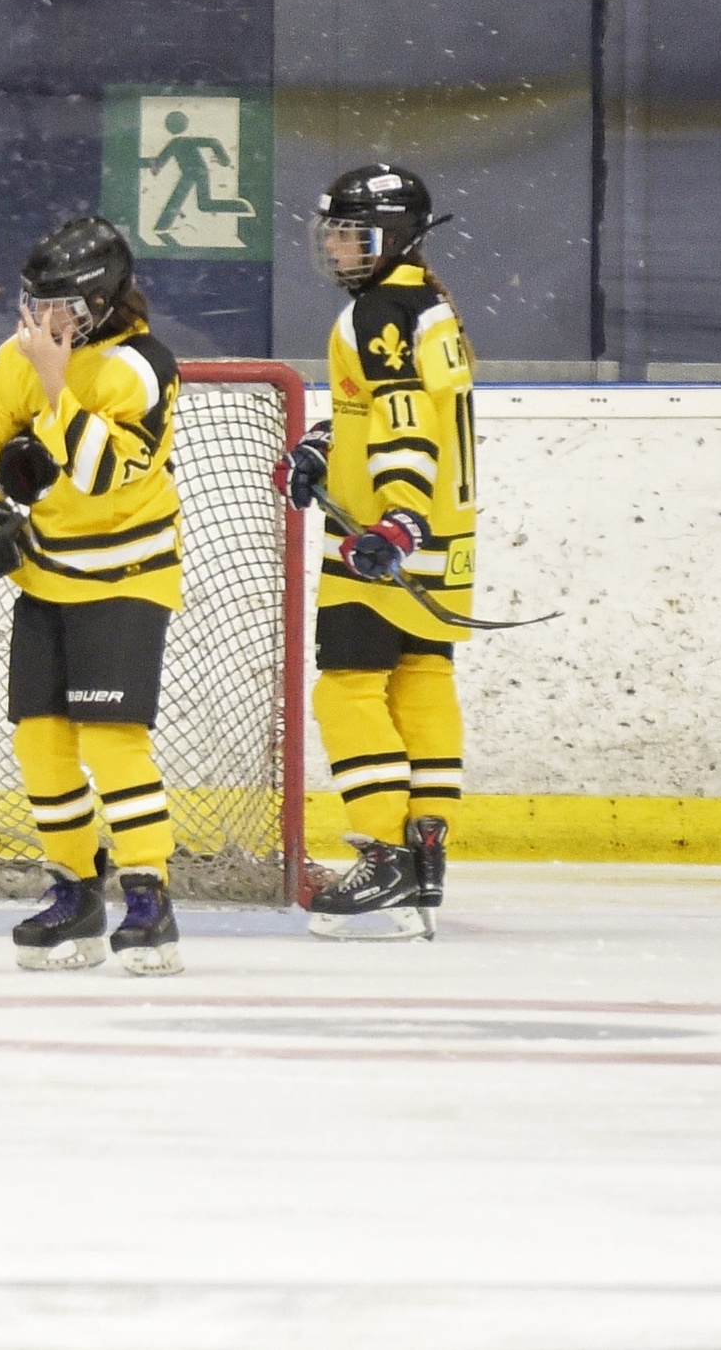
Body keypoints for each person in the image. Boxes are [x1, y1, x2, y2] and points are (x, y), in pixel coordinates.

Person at [0, 215, 185, 974]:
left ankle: (149, 894)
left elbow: (100, 471)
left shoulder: (142, 366)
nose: (42, 318)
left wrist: (55, 381)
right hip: (47, 578)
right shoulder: (15, 359)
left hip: (125, 576)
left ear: (100, 301)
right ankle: (76, 889)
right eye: (35, 300)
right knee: (41, 739)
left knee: (112, 740)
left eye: (61, 304)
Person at [282, 162, 475, 940]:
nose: (336, 249)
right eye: (332, 233)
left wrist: (395, 519)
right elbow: (380, 413)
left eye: (352, 234)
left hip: (384, 538)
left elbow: (403, 424)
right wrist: (325, 445)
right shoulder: (430, 303)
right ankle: (426, 847)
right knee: (423, 679)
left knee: (348, 689)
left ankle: (384, 852)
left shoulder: (378, 313)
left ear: (393, 237)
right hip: (450, 535)